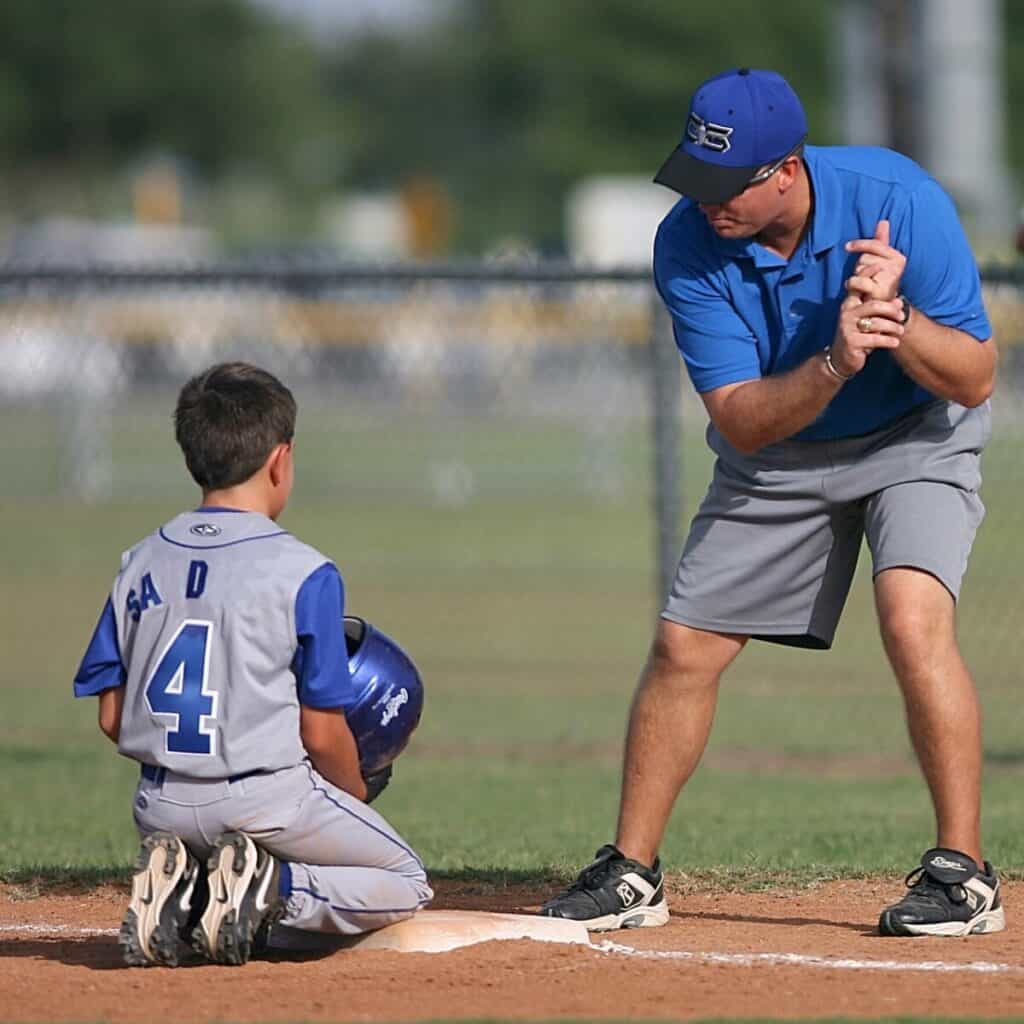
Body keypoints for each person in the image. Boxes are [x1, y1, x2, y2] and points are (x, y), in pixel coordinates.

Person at [541, 68, 1002, 938]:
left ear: (785, 170)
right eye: (696, 179)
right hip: (783, 448)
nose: (707, 203)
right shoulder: (687, 245)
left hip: (914, 435)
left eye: (727, 186)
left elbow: (976, 379)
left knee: (912, 619)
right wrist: (834, 360)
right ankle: (633, 872)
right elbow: (744, 423)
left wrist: (895, 322)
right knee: (684, 646)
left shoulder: (899, 199)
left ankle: (962, 876)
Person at [72, 362, 433, 966]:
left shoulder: (137, 561)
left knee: (233, 839)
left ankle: (190, 891)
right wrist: (350, 793)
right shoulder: (303, 570)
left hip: (158, 806)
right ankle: (266, 887)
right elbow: (321, 731)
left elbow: (112, 718)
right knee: (404, 879)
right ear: (279, 460)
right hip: (264, 799)